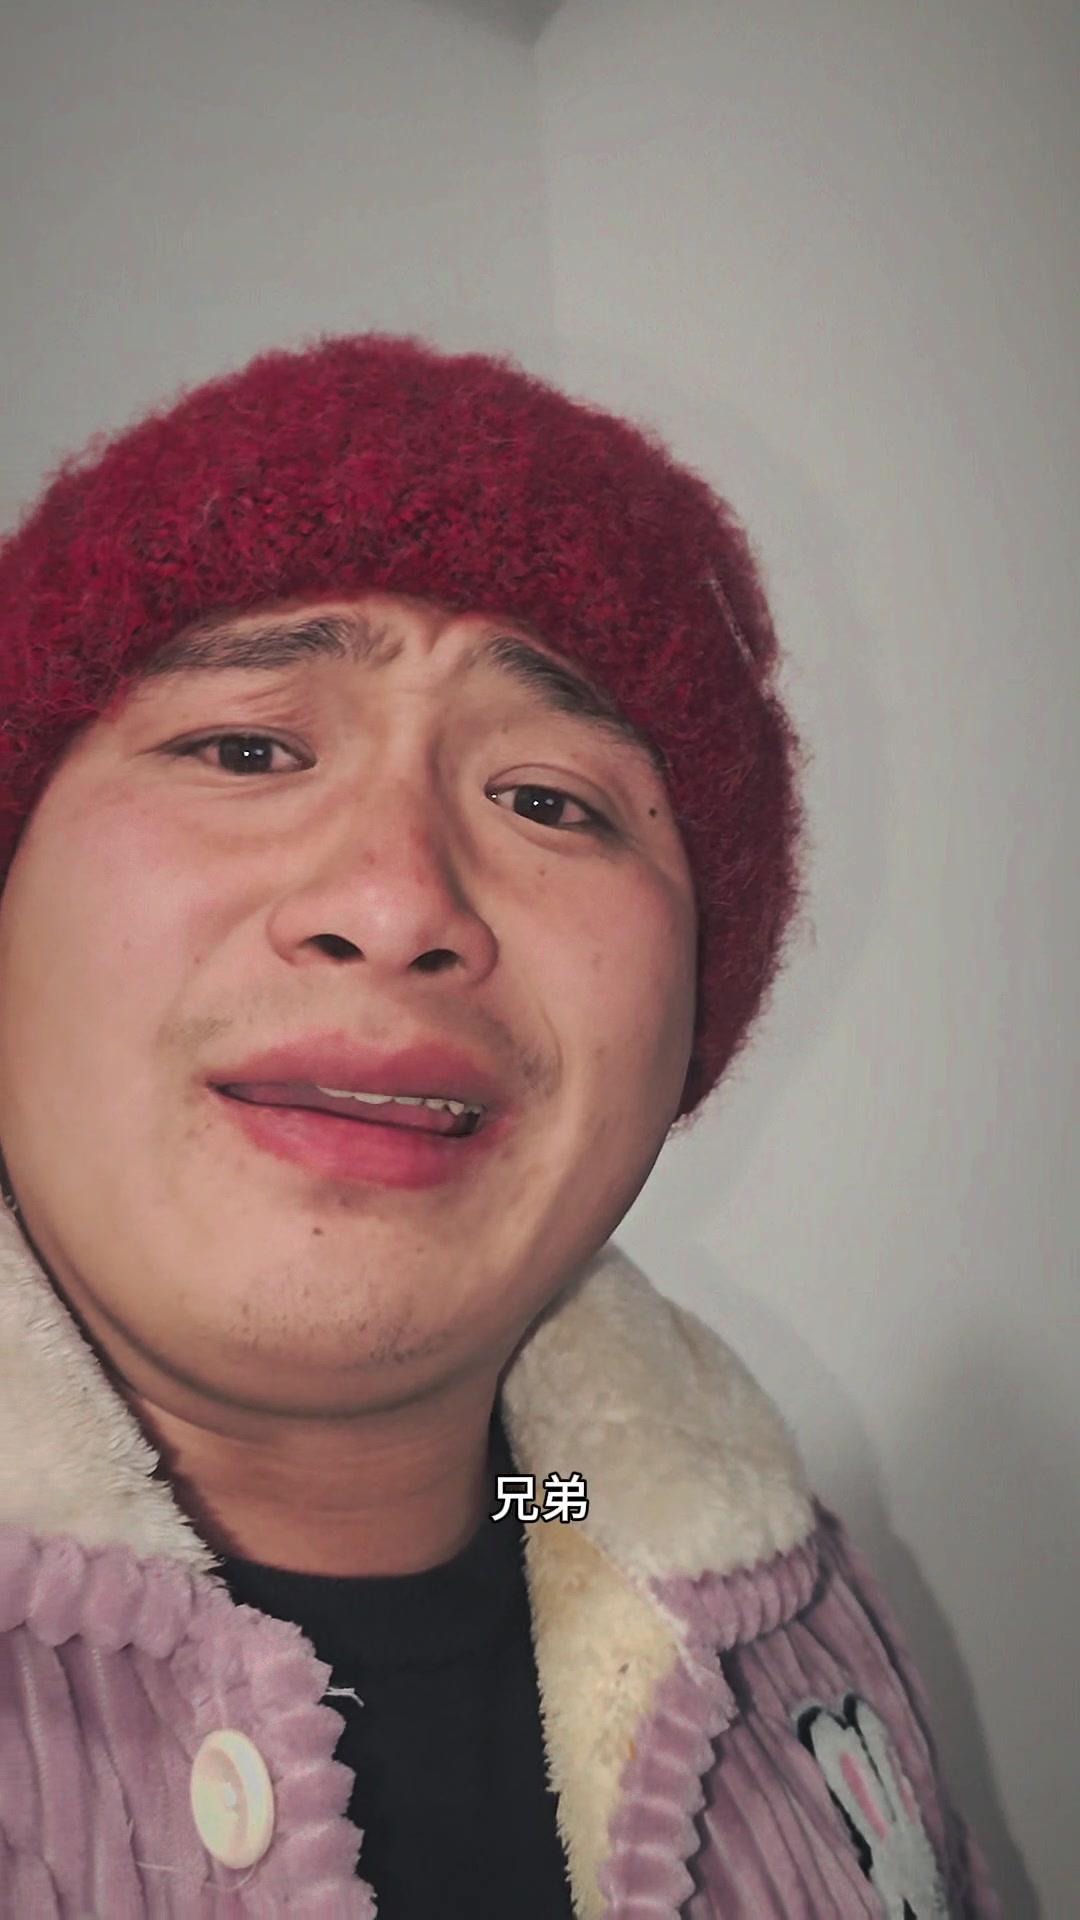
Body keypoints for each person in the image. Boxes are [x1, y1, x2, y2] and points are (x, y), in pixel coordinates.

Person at [0, 332, 1000, 1918]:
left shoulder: (779, 1624)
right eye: (245, 747)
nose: (398, 900)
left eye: (549, 802)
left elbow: (549, 1517)